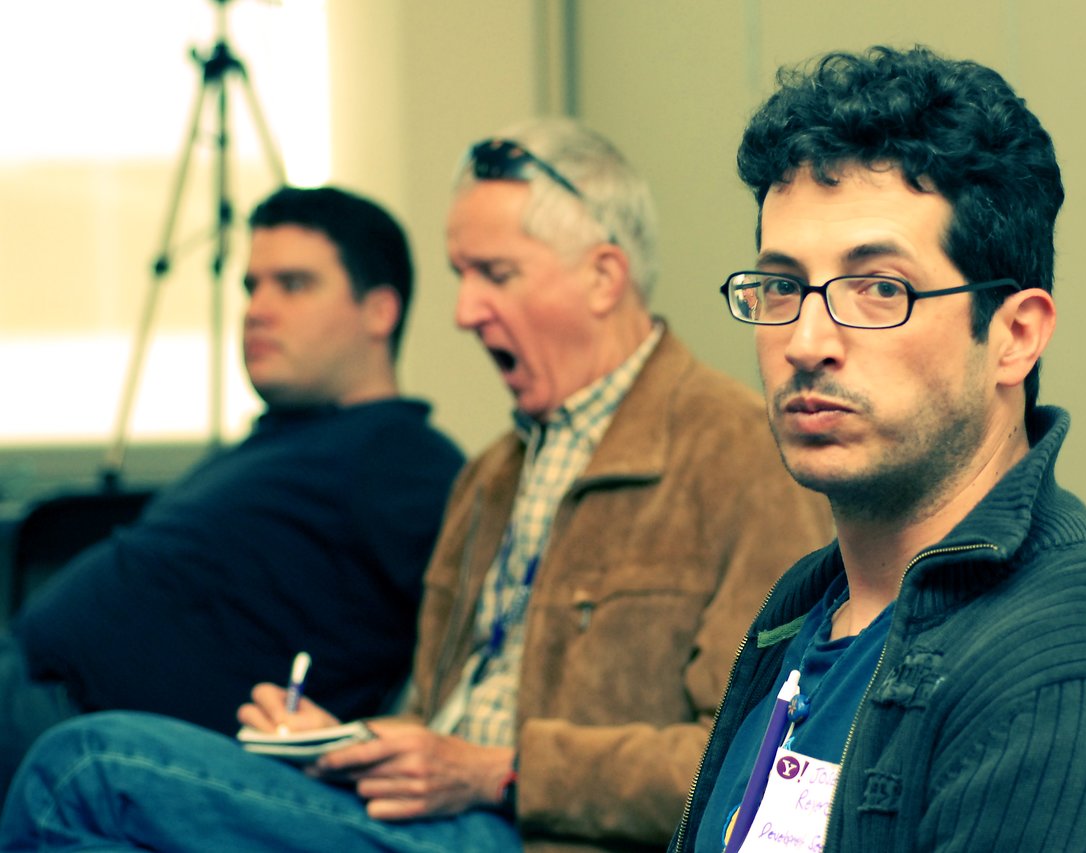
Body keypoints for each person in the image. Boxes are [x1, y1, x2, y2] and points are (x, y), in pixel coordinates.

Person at [0, 119, 832, 851]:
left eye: (494, 274)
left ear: (603, 277)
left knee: (86, 771)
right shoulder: (489, 477)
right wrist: (350, 742)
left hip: (529, 833)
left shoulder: (737, 453)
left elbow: (756, 762)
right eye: (459, 274)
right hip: (430, 821)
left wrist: (503, 771)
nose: (464, 310)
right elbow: (443, 720)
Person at [670, 46, 1086, 852]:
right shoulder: (806, 616)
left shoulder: (1081, 688)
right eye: (781, 286)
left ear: (1015, 336)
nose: (806, 341)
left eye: (879, 287)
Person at [0, 186, 465, 793]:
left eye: (293, 285)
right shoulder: (273, 442)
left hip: (101, 748)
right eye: (252, 286)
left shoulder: (401, 456)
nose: (257, 309)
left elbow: (480, 633)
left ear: (380, 312)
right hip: (39, 701)